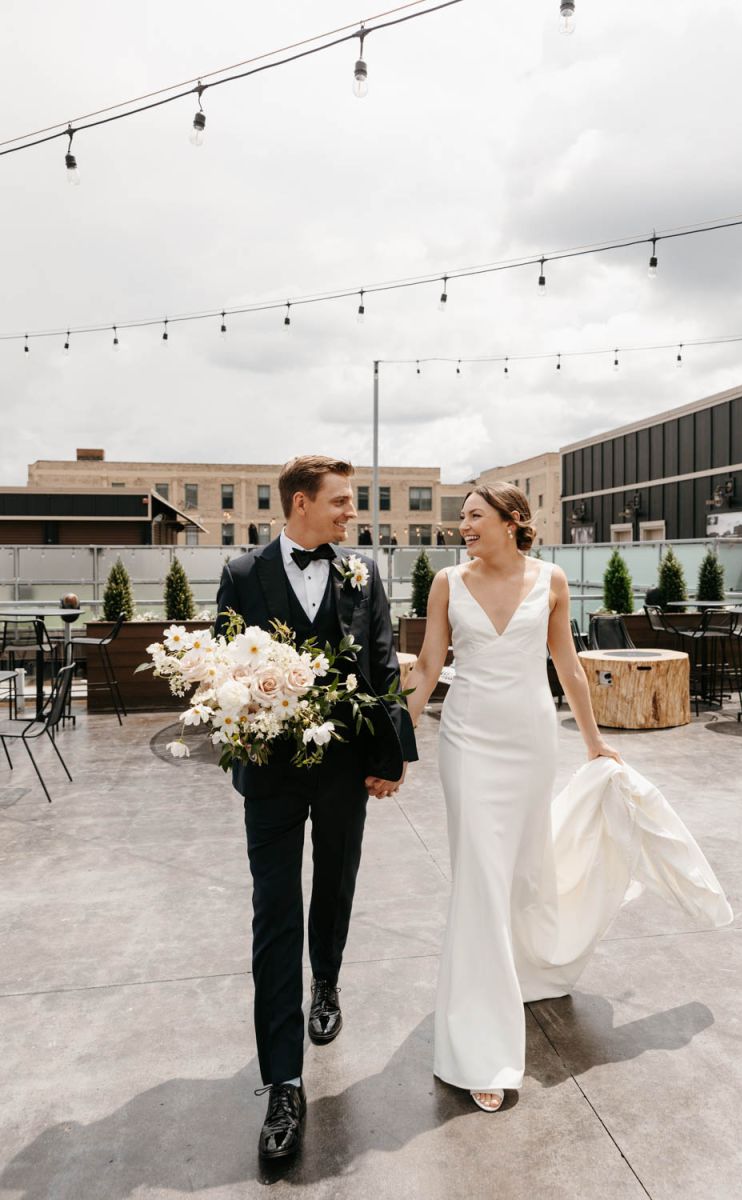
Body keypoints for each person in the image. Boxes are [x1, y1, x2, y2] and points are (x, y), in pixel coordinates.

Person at [405, 483, 732, 1112]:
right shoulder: (447, 582)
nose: (463, 525)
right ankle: (479, 1045)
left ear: (512, 521)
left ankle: (526, 972)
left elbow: (570, 667)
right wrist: (395, 743)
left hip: (530, 743)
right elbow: (426, 665)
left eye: (475, 516)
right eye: (463, 517)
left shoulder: (551, 578)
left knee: (525, 868)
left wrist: (594, 744)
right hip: (468, 741)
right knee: (478, 879)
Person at [215, 455, 417, 1159]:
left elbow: (384, 661)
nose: (349, 512)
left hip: (342, 770)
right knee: (274, 914)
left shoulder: (363, 572)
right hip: (269, 774)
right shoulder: (242, 576)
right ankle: (284, 1084)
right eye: (339, 500)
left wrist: (391, 755)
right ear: (300, 504)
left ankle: (326, 980)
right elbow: (224, 671)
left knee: (334, 882)